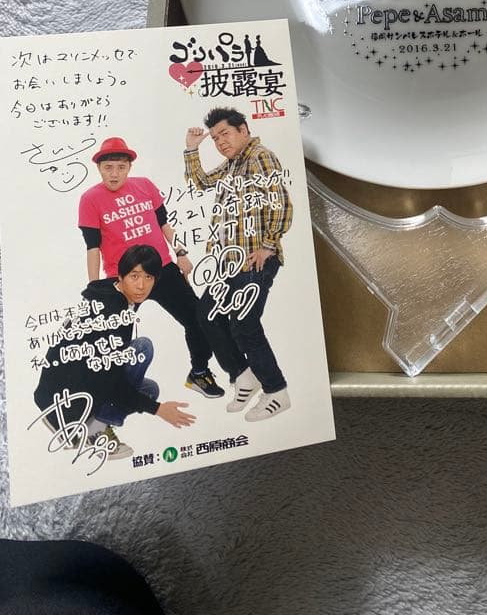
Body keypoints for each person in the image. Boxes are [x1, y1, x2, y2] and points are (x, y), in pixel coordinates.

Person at [78, 136, 225, 400]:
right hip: (123, 278)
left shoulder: (145, 185)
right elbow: (92, 247)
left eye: (121, 167)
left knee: (198, 319)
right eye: (108, 167)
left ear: (129, 167)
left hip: (163, 269)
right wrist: (94, 287)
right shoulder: (90, 199)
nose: (114, 173)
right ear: (99, 168)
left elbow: (164, 224)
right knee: (114, 337)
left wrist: (180, 253)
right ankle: (108, 390)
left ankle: (199, 372)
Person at [33, 245, 196, 459]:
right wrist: (158, 409)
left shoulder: (111, 293)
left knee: (149, 390)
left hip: (59, 390)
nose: (141, 285)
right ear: (121, 275)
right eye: (134, 276)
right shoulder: (112, 313)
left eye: (148, 277)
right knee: (142, 348)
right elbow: (110, 381)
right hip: (65, 400)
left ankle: (83, 419)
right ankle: (92, 428)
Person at [183, 107, 293, 422]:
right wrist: (192, 149)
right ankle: (244, 376)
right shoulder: (234, 164)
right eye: (215, 138)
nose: (220, 142)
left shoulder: (260, 157)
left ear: (243, 130)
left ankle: (277, 391)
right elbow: (201, 183)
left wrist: (268, 245)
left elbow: (281, 203)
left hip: (254, 261)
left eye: (225, 134)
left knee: (244, 325)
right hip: (229, 264)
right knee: (206, 314)